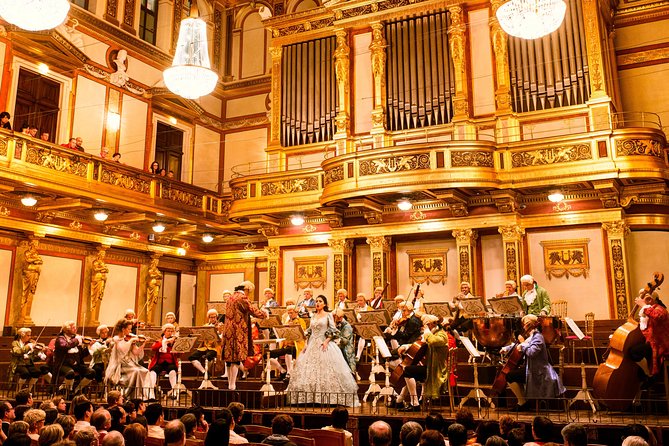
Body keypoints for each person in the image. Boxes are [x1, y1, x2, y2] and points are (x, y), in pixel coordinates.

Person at [285, 295, 359, 406]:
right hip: (312, 344)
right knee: (310, 370)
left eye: (320, 301)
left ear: (324, 304)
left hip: (324, 344)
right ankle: (311, 397)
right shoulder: (313, 316)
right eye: (316, 301)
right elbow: (309, 331)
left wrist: (326, 341)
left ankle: (330, 398)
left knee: (327, 369)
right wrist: (306, 344)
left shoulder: (328, 315)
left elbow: (334, 330)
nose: (318, 303)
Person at [503, 314, 564, 409]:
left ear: (532, 324)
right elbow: (519, 345)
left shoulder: (538, 337)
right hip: (531, 368)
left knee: (510, 376)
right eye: (523, 324)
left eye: (526, 324)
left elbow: (532, 352)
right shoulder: (532, 336)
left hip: (539, 371)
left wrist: (522, 344)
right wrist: (506, 348)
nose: (524, 327)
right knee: (511, 375)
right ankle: (523, 401)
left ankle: (522, 402)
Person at [397, 314, 456, 411]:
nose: (423, 328)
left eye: (424, 325)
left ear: (430, 324)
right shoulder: (433, 333)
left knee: (408, 370)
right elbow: (421, 344)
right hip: (431, 366)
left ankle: (414, 404)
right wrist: (406, 346)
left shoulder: (441, 334)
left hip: (436, 370)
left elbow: (432, 341)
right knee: (409, 370)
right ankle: (405, 401)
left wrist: (427, 332)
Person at [221, 283, 267, 390]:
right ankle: (232, 385)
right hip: (238, 330)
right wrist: (264, 314)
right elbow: (252, 310)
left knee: (229, 359)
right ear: (246, 289)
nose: (249, 294)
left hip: (228, 330)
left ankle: (230, 384)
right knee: (236, 358)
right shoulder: (242, 298)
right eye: (249, 292)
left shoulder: (230, 298)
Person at [105, 319, 154, 399]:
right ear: (123, 329)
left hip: (130, 363)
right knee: (137, 372)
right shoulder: (116, 339)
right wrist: (131, 341)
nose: (130, 331)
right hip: (121, 365)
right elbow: (122, 351)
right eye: (129, 329)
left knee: (145, 371)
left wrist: (143, 344)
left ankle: (145, 396)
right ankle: (133, 396)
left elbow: (136, 352)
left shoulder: (129, 338)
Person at [630, 288, 669, 380]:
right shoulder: (646, 312)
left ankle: (650, 375)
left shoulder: (660, 309)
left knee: (634, 352)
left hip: (659, 344)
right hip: (650, 343)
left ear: (651, 300)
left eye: (646, 298)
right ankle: (648, 378)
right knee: (632, 352)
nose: (643, 299)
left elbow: (658, 316)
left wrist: (643, 305)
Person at [52, 321, 96, 394]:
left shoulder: (75, 339)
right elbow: (65, 346)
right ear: (67, 329)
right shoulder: (60, 339)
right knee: (70, 373)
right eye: (73, 328)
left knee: (91, 372)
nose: (75, 329)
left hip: (76, 364)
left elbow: (81, 355)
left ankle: (77, 390)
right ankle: (68, 390)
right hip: (63, 364)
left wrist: (89, 346)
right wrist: (77, 340)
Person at [268, 304, 305, 382]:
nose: (290, 315)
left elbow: (301, 334)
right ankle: (282, 370)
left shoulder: (301, 321)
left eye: (291, 313)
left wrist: (293, 327)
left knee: (288, 352)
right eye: (288, 313)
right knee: (268, 354)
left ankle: (289, 373)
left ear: (296, 312)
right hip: (285, 345)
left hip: (296, 346)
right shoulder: (287, 321)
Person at [148, 323, 179, 399]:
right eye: (168, 331)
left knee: (172, 371)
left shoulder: (174, 342)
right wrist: (165, 342)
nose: (170, 333)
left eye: (172, 331)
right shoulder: (160, 340)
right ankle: (151, 392)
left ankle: (174, 391)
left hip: (170, 363)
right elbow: (154, 348)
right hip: (160, 363)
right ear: (164, 332)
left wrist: (175, 347)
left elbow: (178, 353)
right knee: (153, 371)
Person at [188, 308, 219, 376]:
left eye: (214, 317)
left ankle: (208, 373)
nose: (213, 319)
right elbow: (200, 337)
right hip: (204, 347)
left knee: (207, 356)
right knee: (191, 357)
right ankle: (204, 372)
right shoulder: (205, 326)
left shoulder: (220, 326)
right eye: (211, 317)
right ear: (208, 317)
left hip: (215, 348)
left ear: (217, 317)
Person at [20, 238, 43, 324]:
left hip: (35, 273)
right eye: (36, 244)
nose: (37, 246)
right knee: (26, 292)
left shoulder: (36, 254)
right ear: (32, 244)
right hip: (29, 273)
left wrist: (36, 260)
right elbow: (28, 260)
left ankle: (26, 316)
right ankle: (23, 317)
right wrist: (35, 260)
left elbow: (40, 261)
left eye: (37, 244)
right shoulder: (27, 253)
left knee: (31, 291)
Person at [333, 308, 356, 373]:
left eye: (335, 317)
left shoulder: (347, 326)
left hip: (346, 349)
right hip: (338, 347)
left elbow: (345, 341)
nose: (333, 319)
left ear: (340, 317)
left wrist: (335, 332)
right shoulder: (336, 324)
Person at [90, 248, 109, 324]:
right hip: (97, 279)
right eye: (102, 254)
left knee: (99, 297)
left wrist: (103, 269)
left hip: (102, 279)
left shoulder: (103, 262)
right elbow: (95, 269)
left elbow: (107, 270)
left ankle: (95, 319)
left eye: (104, 254)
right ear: (99, 254)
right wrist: (102, 268)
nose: (103, 256)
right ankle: (92, 319)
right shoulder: (96, 262)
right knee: (95, 297)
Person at [145, 257, 163, 323]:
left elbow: (160, 276)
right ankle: (149, 320)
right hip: (152, 286)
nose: (157, 263)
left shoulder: (157, 270)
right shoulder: (150, 270)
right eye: (156, 262)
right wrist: (157, 275)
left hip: (156, 286)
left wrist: (157, 275)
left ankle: (151, 320)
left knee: (154, 301)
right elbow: (152, 275)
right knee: (150, 302)